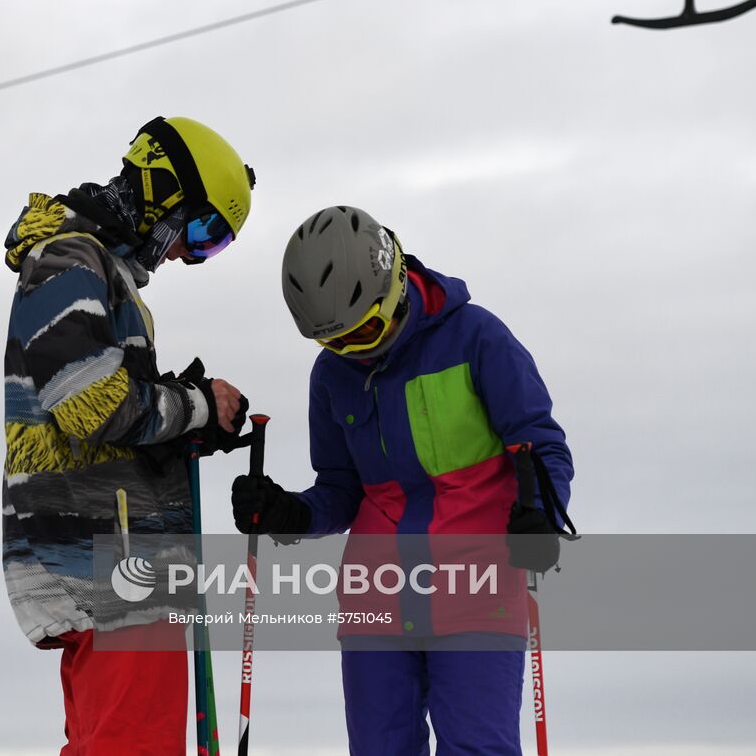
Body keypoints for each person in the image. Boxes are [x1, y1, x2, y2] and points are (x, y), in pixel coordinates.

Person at [232, 205, 576, 756]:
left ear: (393, 283)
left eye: (365, 329)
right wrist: (290, 512)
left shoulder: (476, 339)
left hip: (477, 585)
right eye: (335, 342)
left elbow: (541, 445)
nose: (356, 351)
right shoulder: (333, 375)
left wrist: (544, 516)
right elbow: (342, 490)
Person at [2, 115, 256, 755]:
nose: (187, 254)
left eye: (211, 246)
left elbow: (98, 401)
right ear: (163, 190)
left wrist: (181, 422)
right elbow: (87, 402)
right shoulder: (68, 260)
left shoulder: (89, 267)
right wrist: (192, 407)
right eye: (199, 231)